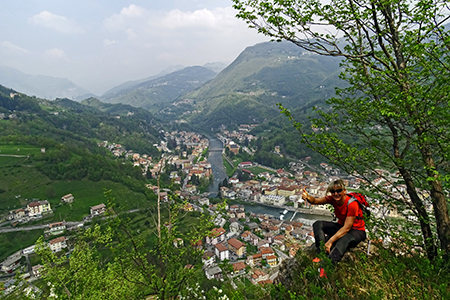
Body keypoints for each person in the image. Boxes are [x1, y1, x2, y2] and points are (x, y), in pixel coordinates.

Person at [302, 179, 366, 270]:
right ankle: (321, 253)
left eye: (339, 191)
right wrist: (308, 197)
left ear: (344, 191)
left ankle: (328, 266)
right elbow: (315, 201)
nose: (336, 193)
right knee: (318, 224)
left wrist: (330, 241)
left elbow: (347, 228)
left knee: (345, 239)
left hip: (357, 230)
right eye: (333, 191)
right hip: (342, 226)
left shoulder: (352, 204)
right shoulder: (333, 199)